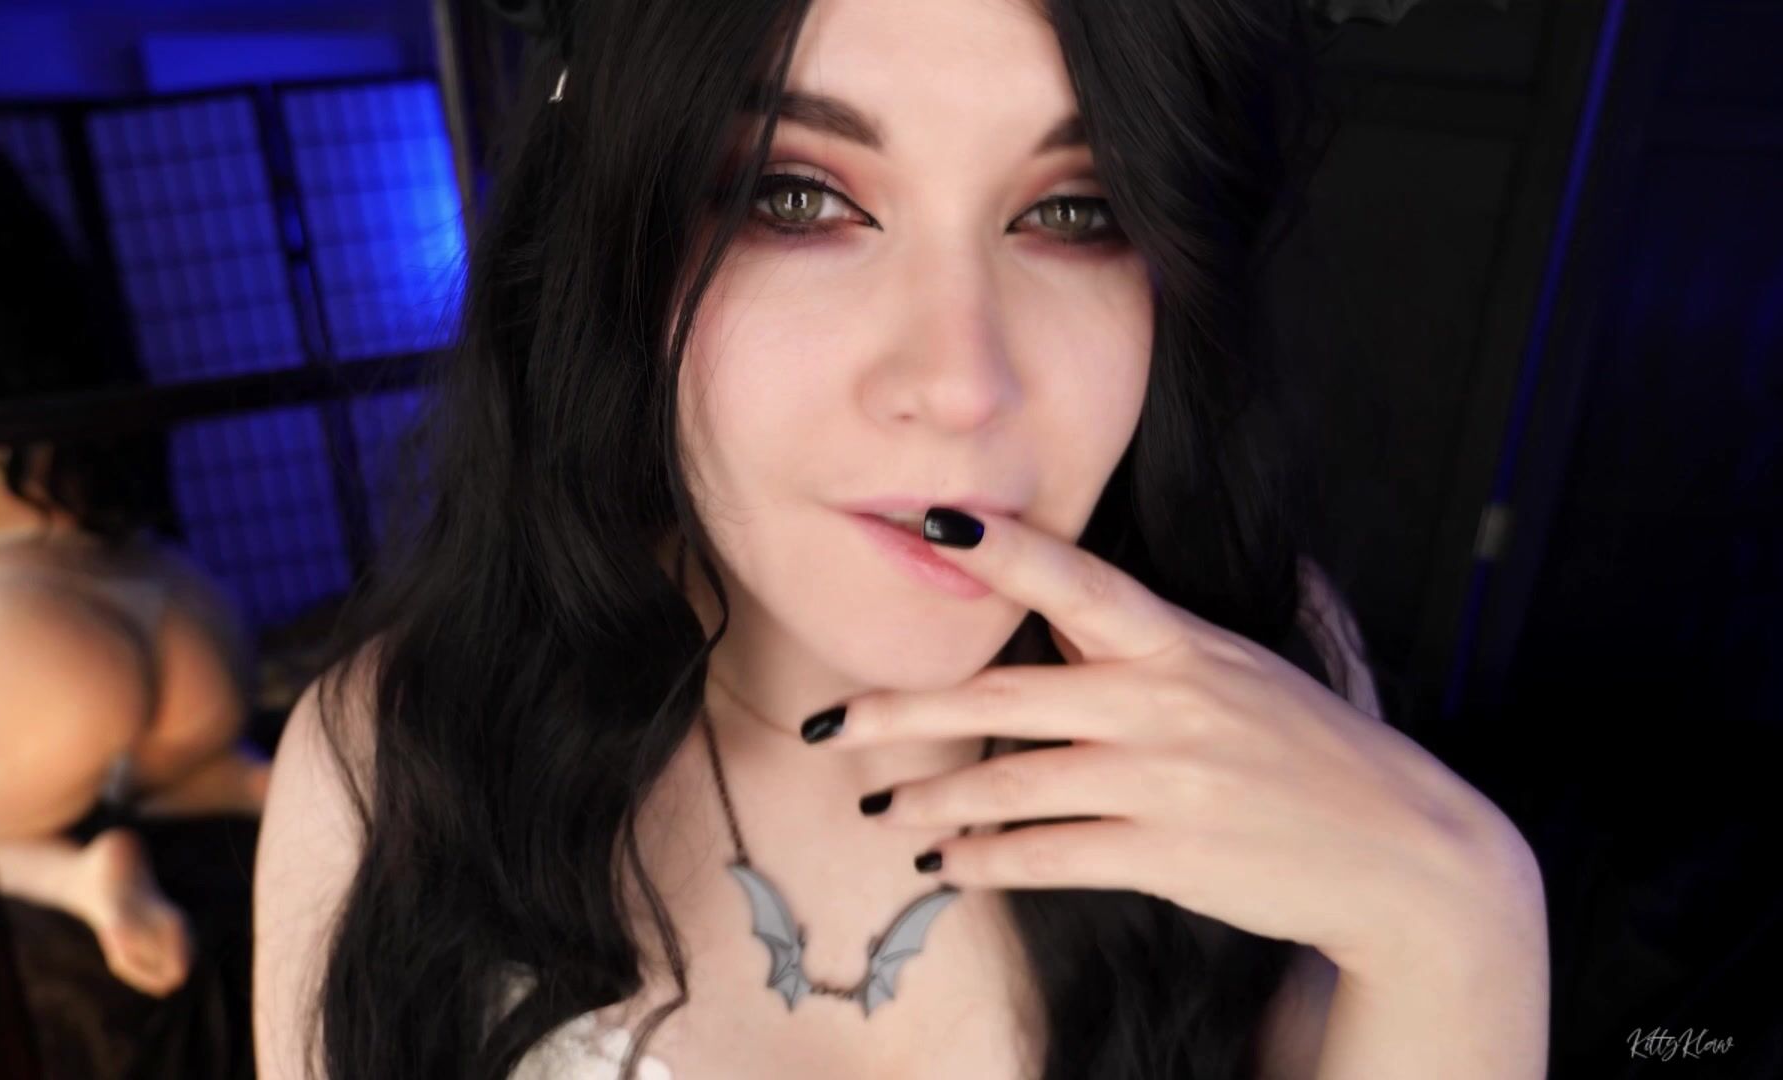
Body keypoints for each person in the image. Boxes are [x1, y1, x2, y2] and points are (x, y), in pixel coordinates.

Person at [255, 0, 1545, 1077]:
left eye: (1076, 210)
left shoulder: (1258, 653)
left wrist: (1464, 921)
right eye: (795, 195)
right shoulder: (397, 761)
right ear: (617, 237)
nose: (962, 382)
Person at [0, 128, 271, 999]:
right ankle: (240, 780)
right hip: (181, 608)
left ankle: (85, 880)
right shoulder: (65, 323)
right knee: (151, 769)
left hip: (39, 632)